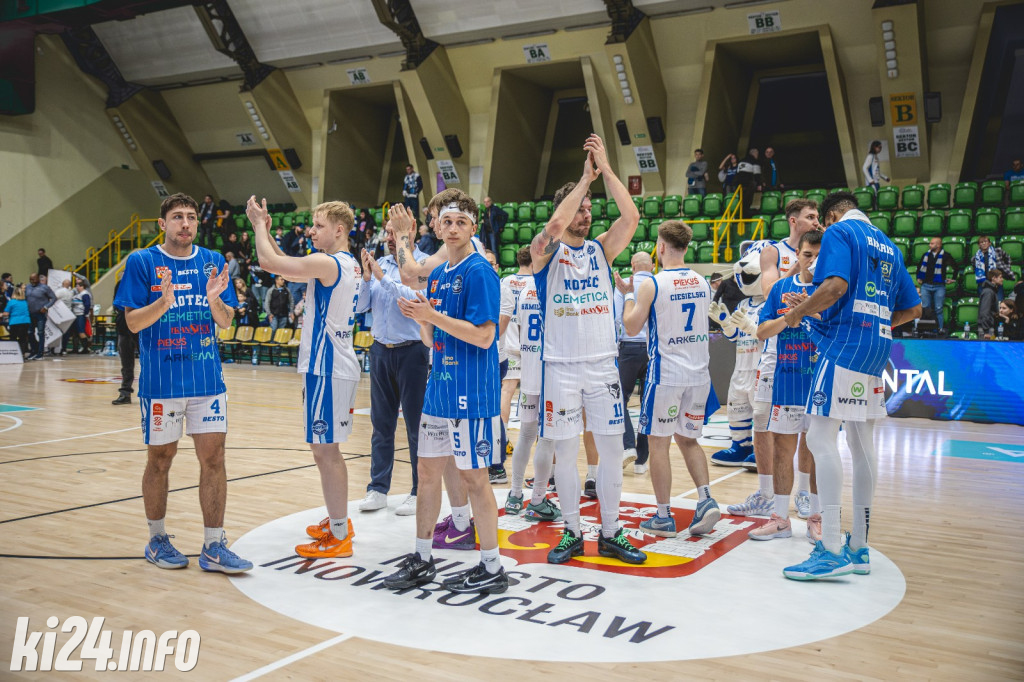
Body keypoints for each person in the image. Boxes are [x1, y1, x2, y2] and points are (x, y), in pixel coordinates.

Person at [780, 191, 920, 580]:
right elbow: (914, 308)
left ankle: (829, 548)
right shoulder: (890, 245)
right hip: (877, 351)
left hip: (843, 348)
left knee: (819, 439)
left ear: (832, 217)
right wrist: (874, 325)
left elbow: (835, 287)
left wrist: (798, 312)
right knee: (862, 445)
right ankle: (859, 547)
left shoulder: (841, 233)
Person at [114, 192, 251, 574]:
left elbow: (226, 321)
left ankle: (213, 545)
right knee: (160, 460)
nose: (186, 223)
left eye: (191, 216)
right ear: (163, 224)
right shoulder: (142, 261)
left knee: (215, 459)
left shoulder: (212, 261)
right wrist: (163, 302)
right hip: (162, 384)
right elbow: (132, 323)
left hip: (207, 381)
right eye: (177, 217)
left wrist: (213, 299)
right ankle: (157, 538)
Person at [383, 193, 508, 594]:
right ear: (437, 227)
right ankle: (422, 558)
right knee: (426, 473)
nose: (453, 229)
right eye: (447, 222)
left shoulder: (480, 271)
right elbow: (430, 337)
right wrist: (423, 319)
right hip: (439, 387)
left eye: (461, 222)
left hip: (471, 391)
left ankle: (492, 567)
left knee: (475, 479)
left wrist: (432, 315)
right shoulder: (437, 274)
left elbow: (485, 337)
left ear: (473, 228)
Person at [530, 134, 647, 565]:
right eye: (580, 208)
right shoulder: (544, 252)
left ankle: (612, 532)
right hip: (560, 366)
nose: (587, 213)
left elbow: (631, 216)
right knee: (565, 451)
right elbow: (554, 228)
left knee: (612, 450)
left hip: (601, 365)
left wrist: (605, 170)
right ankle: (573, 532)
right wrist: (582, 181)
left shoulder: (601, 249)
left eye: (589, 208)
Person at [247, 196, 362, 559]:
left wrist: (257, 225)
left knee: (326, 452)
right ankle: (339, 521)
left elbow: (270, 263)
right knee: (325, 450)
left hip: (327, 367)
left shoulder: (329, 263)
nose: (311, 231)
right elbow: (285, 262)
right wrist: (267, 232)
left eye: (319, 225)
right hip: (333, 365)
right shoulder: (343, 263)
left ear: (339, 230)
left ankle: (340, 534)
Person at [620, 220, 722, 537]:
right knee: (689, 440)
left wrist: (628, 295)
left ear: (661, 247)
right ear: (686, 247)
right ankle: (705, 499)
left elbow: (631, 327)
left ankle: (663, 516)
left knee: (659, 444)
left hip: (667, 375)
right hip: (699, 375)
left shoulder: (652, 283)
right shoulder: (702, 282)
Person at [749, 230, 823, 542]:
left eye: (819, 255)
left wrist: (808, 309)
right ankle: (780, 518)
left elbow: (839, 330)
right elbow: (762, 332)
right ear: (798, 256)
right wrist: (790, 316)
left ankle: (817, 517)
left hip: (821, 381)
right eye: (807, 255)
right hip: (787, 379)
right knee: (783, 449)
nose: (813, 260)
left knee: (819, 450)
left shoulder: (832, 288)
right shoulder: (780, 288)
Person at [354, 221, 429, 517]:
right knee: (381, 425)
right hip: (380, 350)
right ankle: (378, 488)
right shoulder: (381, 264)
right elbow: (361, 307)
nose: (388, 238)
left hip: (413, 351)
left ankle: (419, 490)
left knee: (416, 427)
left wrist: (381, 277)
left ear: (411, 232)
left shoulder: (422, 264)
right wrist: (366, 278)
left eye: (394, 232)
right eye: (386, 232)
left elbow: (411, 300)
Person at [613, 252, 655, 472]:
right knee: (648, 404)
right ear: (652, 266)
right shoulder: (658, 283)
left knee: (619, 398)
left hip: (628, 347)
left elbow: (616, 318)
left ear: (632, 265)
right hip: (652, 349)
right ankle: (642, 461)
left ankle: (628, 445)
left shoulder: (624, 285)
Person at [497, 246, 533, 474]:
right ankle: (531, 439)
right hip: (530, 346)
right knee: (531, 396)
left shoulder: (504, 281)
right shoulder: (537, 283)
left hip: (507, 341)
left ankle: (503, 438)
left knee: (507, 392)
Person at [112, 278, 138, 405]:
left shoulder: (142, 281)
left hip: (141, 326)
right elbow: (116, 303)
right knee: (126, 363)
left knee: (148, 361)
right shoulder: (120, 284)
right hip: (123, 327)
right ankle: (125, 392)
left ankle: (152, 390)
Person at [916, 237, 950, 333]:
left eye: (932, 243)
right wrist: (918, 277)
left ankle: (940, 329)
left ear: (938, 245)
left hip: (939, 286)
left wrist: (953, 278)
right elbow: (919, 267)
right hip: (926, 285)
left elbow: (955, 266)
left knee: (938, 309)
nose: (929, 245)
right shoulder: (926, 255)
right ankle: (926, 329)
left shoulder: (945, 255)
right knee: (925, 308)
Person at [25, 272, 56, 360]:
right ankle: (33, 351)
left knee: (40, 333)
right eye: (30, 279)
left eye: (34, 279)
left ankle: (40, 353)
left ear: (38, 278)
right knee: (30, 332)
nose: (32, 281)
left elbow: (54, 298)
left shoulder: (45, 287)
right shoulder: (28, 287)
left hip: (40, 314)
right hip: (30, 313)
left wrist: (46, 307)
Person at [3, 284, 31, 359]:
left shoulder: (11, 302)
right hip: (25, 321)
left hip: (15, 322)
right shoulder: (25, 302)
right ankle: (22, 354)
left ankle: (14, 354)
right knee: (23, 339)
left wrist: (1, 314)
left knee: (13, 338)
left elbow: (6, 313)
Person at [736, 148, 761, 218]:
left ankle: (741, 214)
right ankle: (746, 213)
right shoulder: (754, 161)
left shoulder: (741, 161)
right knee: (748, 199)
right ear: (755, 154)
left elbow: (737, 172)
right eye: (757, 154)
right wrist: (759, 184)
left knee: (741, 200)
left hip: (739, 184)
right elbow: (757, 174)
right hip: (748, 184)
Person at [979, 269, 1003, 339]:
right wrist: (986, 330)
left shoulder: (991, 291)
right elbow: (984, 312)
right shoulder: (988, 292)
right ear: (994, 278)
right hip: (987, 329)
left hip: (989, 327)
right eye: (1000, 277)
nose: (1002, 279)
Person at [69, 280, 92, 354]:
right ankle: (75, 348)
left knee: (81, 331)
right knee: (75, 332)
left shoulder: (85, 294)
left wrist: (85, 314)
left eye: (78, 286)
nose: (77, 287)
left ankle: (85, 348)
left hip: (80, 314)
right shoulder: (78, 294)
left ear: (82, 287)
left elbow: (87, 305)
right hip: (76, 314)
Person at [55, 279, 74, 355]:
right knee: (66, 332)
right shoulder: (71, 293)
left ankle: (55, 348)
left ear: (63, 284)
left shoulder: (60, 291)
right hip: (68, 314)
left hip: (60, 314)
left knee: (57, 331)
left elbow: (53, 299)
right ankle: (64, 349)